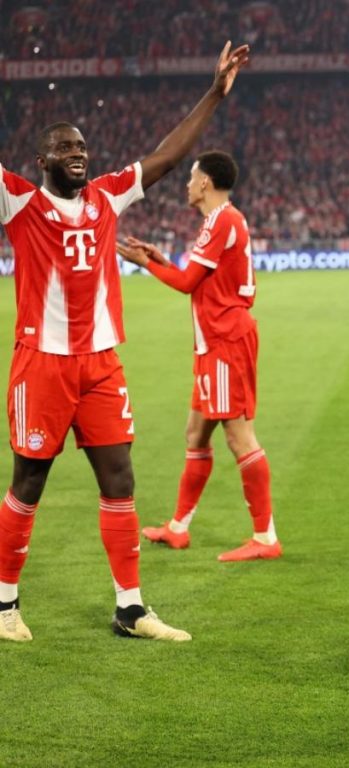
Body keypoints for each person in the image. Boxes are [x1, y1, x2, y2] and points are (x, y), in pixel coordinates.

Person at [0, 42, 250, 643]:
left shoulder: (109, 195)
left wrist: (214, 94)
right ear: (42, 159)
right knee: (29, 481)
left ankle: (131, 609)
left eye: (82, 146)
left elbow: (168, 154)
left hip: (102, 366)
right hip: (44, 364)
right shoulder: (20, 200)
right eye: (64, 147)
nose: (77, 154)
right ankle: (3, 603)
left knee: (121, 481)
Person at [116, 151, 280, 561]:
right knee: (196, 434)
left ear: (205, 181)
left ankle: (265, 537)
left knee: (238, 437)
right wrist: (159, 258)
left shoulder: (222, 219)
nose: (187, 184)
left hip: (225, 341)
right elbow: (203, 280)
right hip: (215, 344)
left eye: (191, 177)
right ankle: (178, 528)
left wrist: (145, 265)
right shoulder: (221, 221)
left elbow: (189, 282)